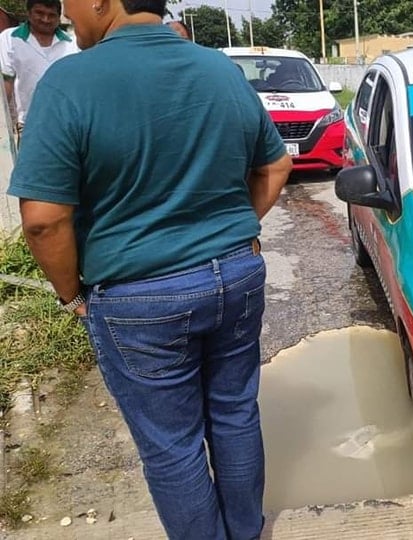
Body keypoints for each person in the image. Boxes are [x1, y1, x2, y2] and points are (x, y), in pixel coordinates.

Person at [6, 0, 292, 536]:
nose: (68, 17)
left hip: (138, 298)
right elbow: (276, 163)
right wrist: (231, 230)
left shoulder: (70, 83)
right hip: (235, 277)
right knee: (234, 416)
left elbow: (44, 221)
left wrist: (72, 295)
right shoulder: (218, 70)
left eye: (71, 5)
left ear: (101, 2)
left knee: (172, 447)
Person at [0, 0, 78, 145]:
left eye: (51, 15)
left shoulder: (72, 44)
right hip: (29, 126)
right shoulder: (10, 39)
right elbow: (6, 84)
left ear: (58, 16)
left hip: (66, 128)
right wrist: (4, 125)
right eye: (39, 13)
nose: (45, 19)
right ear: (28, 13)